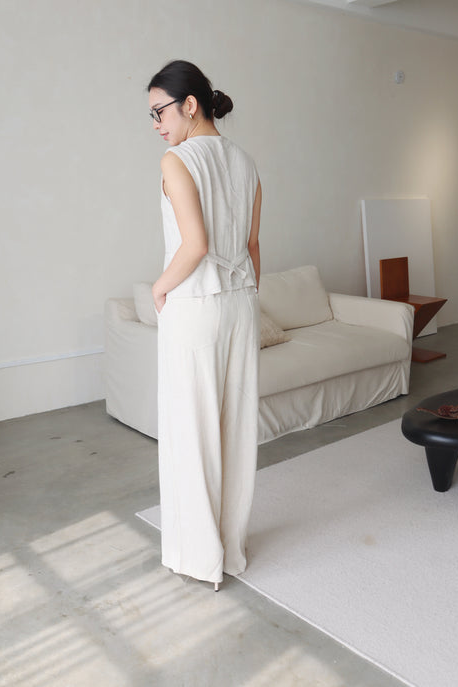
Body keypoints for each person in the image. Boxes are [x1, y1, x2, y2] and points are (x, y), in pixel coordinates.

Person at [147, 60, 262, 591]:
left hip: (195, 306)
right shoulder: (245, 161)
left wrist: (159, 287)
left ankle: (199, 557)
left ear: (189, 105)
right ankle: (231, 551)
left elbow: (195, 246)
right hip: (241, 304)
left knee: (190, 431)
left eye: (160, 111)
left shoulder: (177, 160)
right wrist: (247, 295)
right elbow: (252, 246)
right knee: (235, 429)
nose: (156, 124)